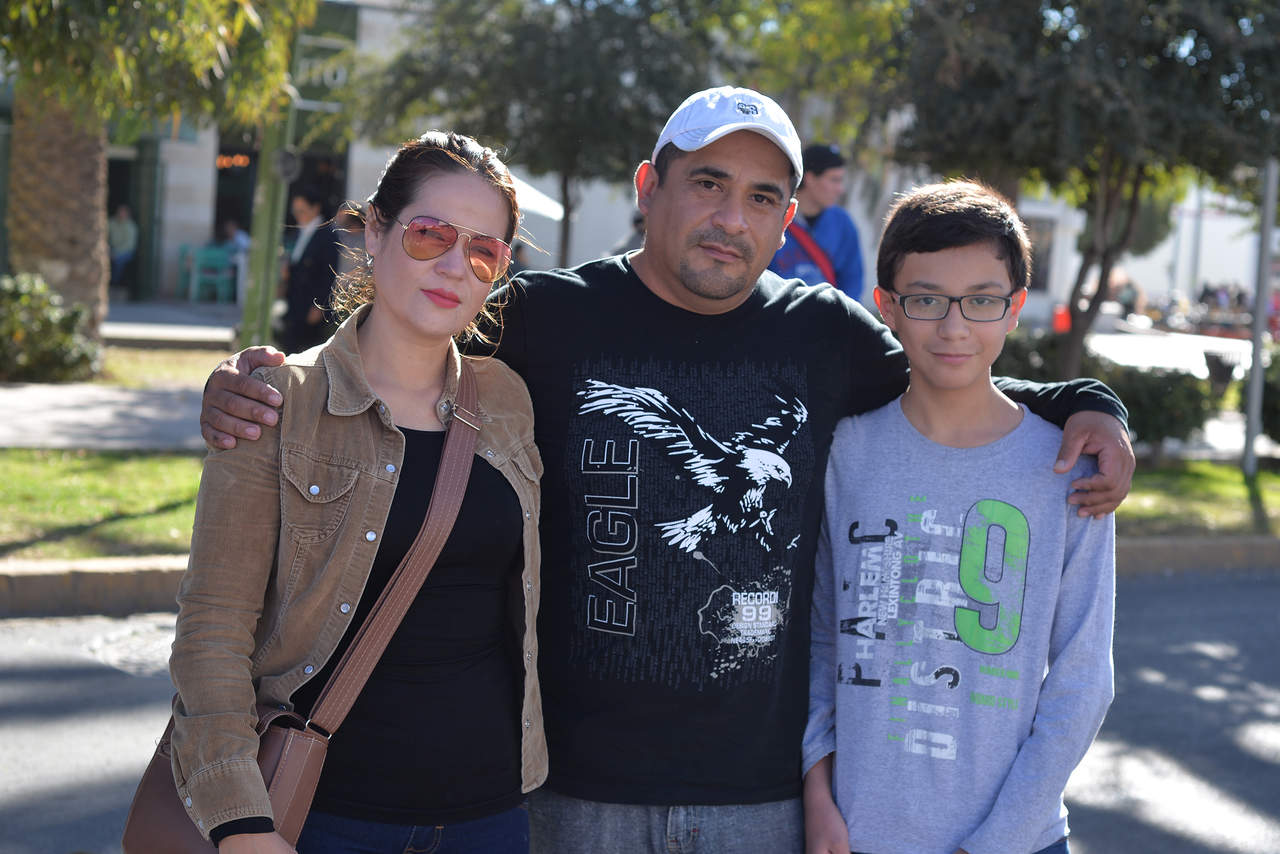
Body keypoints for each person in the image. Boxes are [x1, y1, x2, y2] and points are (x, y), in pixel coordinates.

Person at [197, 86, 1135, 854]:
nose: (731, 218)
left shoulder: (825, 333)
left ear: (787, 218)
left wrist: (1088, 401)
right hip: (569, 796)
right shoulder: (542, 316)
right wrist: (255, 384)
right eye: (708, 183)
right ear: (650, 186)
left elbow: (952, 368)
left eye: (762, 197)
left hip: (762, 804)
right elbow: (401, 340)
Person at [168, 131, 546, 854]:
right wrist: (242, 825)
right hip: (322, 820)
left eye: (484, 251)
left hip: (490, 816)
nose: (454, 266)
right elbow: (212, 631)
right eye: (430, 233)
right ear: (374, 230)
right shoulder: (277, 401)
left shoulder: (508, 401)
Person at [802, 181, 1114, 854]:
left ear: (1015, 308)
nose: (954, 326)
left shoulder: (1072, 466)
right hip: (854, 834)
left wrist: (995, 843)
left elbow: (1083, 680)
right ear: (887, 307)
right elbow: (822, 637)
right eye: (926, 300)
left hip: (1016, 841)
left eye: (981, 300)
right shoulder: (845, 453)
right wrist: (816, 790)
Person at [768, 143, 865, 301]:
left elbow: (852, 282)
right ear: (810, 179)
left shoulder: (843, 224)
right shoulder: (774, 216)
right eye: (834, 180)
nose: (840, 189)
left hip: (827, 313)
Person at [279, 185, 341, 354]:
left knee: (307, 351)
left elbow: (329, 274)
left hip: (312, 304)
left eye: (302, 211)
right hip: (295, 300)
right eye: (296, 211)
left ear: (315, 208)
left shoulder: (327, 234)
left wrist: (320, 306)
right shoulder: (300, 232)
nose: (298, 215)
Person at [108, 203, 139, 289]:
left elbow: (129, 245)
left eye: (123, 212)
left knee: (118, 261)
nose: (121, 214)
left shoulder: (131, 226)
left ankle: (114, 284)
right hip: (112, 250)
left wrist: (115, 253)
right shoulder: (111, 222)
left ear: (127, 214)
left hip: (126, 252)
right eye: (119, 212)